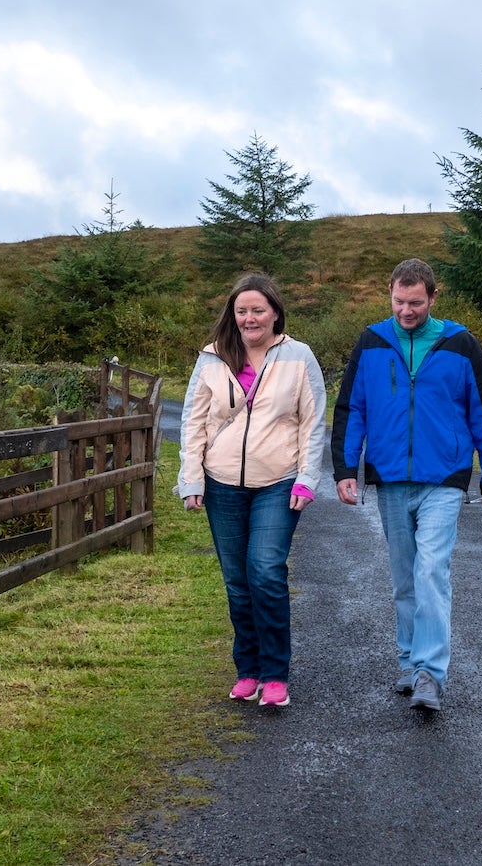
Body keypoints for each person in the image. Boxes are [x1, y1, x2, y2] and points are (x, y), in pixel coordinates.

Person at [332, 258, 482, 712]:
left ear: (433, 297)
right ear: (388, 294)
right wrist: (346, 469)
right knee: (403, 579)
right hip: (390, 479)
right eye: (398, 301)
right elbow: (352, 409)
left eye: (414, 302)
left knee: (432, 572)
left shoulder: (461, 344)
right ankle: (409, 663)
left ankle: (430, 673)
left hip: (443, 480)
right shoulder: (371, 342)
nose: (406, 311)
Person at [177, 273, 331, 709]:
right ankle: (247, 670)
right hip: (221, 482)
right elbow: (192, 422)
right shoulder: (211, 358)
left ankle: (275, 674)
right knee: (238, 582)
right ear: (233, 314)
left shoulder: (298, 356)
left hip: (279, 481)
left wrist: (307, 477)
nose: (249, 318)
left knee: (265, 571)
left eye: (258, 310)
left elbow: (311, 422)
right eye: (242, 310)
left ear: (275, 312)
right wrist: (191, 479)